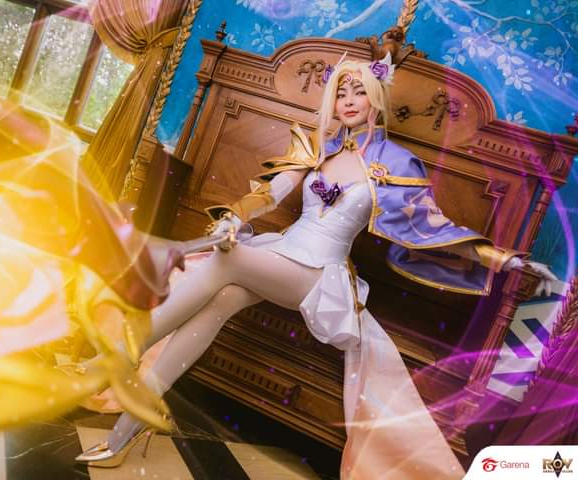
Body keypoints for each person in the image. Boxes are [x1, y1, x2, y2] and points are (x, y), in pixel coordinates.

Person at [75, 53, 556, 478]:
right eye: (341, 93)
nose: (348, 101)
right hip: (282, 252)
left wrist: (505, 258)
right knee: (218, 302)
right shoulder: (318, 148)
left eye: (358, 92)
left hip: (319, 274)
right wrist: (235, 218)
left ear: (375, 99)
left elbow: (435, 228)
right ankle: (124, 433)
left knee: (225, 262)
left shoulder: (395, 164)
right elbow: (268, 194)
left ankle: (114, 357)